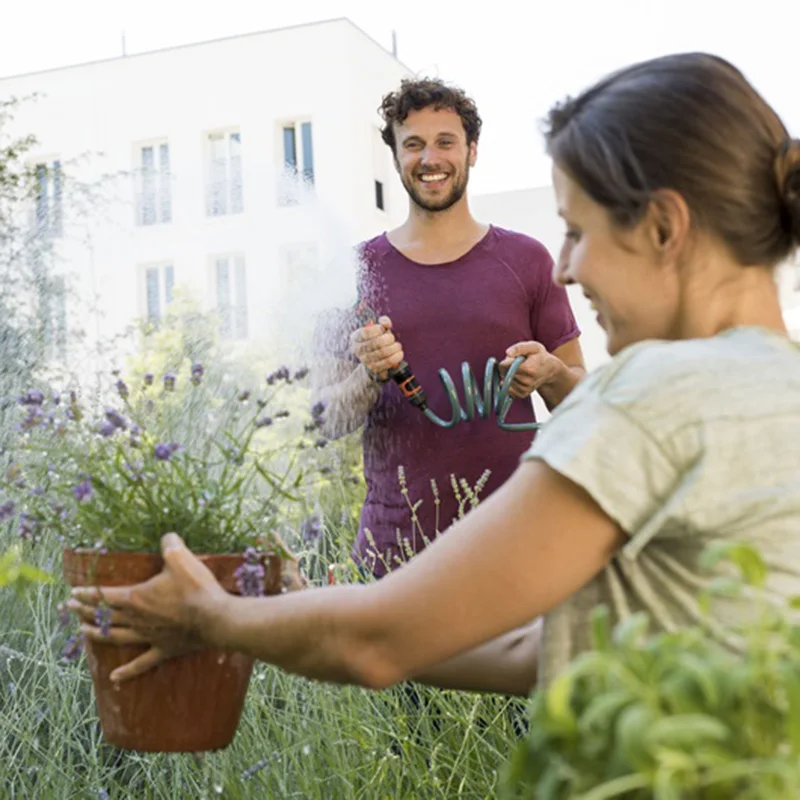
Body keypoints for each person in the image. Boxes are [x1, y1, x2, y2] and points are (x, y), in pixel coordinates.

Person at [71, 53, 800, 699]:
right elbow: (531, 651)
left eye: (577, 230)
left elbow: (377, 641)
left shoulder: (652, 397)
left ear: (665, 228)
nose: (565, 267)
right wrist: (299, 606)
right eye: (412, 143)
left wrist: (217, 616)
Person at [310, 77, 584, 578]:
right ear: (395, 157)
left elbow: (587, 407)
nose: (429, 158)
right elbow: (322, 418)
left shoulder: (528, 261)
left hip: (515, 549)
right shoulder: (350, 275)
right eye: (412, 144)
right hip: (393, 557)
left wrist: (549, 374)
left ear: (472, 151)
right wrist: (368, 375)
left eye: (445, 142)